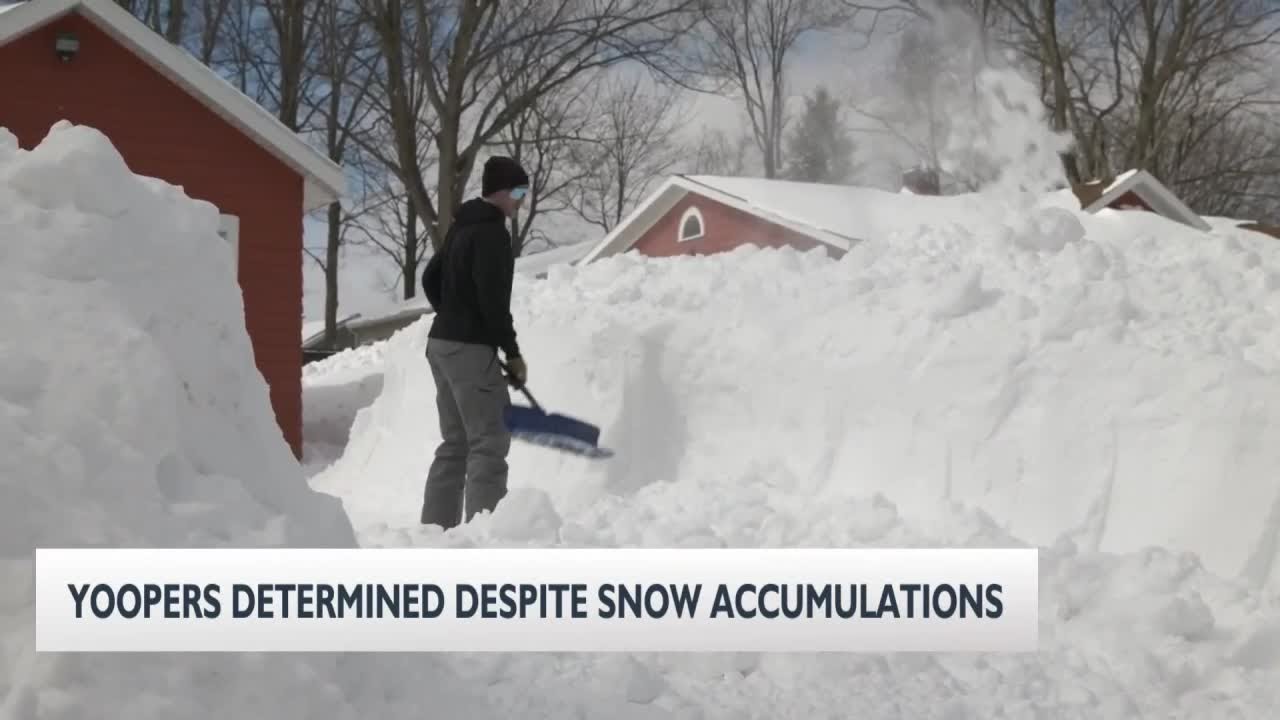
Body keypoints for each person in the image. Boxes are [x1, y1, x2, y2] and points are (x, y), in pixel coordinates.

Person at [419, 156, 529, 530]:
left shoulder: (462, 226)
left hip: (440, 344)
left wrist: (452, 314)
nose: (521, 200)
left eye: (523, 192)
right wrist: (511, 353)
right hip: (467, 348)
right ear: (499, 192)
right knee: (489, 440)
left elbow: (431, 276)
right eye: (517, 192)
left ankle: (435, 531)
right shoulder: (492, 233)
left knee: (456, 442)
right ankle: (487, 537)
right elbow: (493, 302)